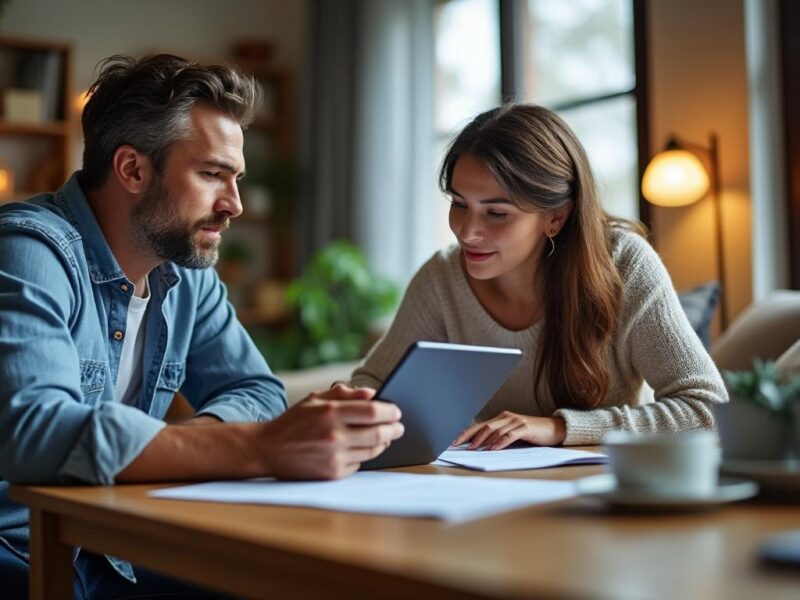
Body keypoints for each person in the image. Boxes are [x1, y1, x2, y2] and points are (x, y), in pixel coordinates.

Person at [0, 54, 403, 598]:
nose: (233, 204)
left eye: (236, 178)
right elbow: (37, 433)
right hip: (20, 546)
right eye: (213, 174)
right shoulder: (27, 252)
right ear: (133, 170)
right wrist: (258, 447)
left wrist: (184, 443)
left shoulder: (184, 272)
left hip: (116, 543)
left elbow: (256, 390)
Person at [351, 103, 727, 450]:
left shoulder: (625, 265)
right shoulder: (442, 277)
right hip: (482, 491)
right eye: (460, 205)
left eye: (496, 213)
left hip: (603, 496)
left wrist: (559, 428)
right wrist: (357, 406)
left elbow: (708, 410)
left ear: (555, 218)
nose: (467, 232)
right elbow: (372, 384)